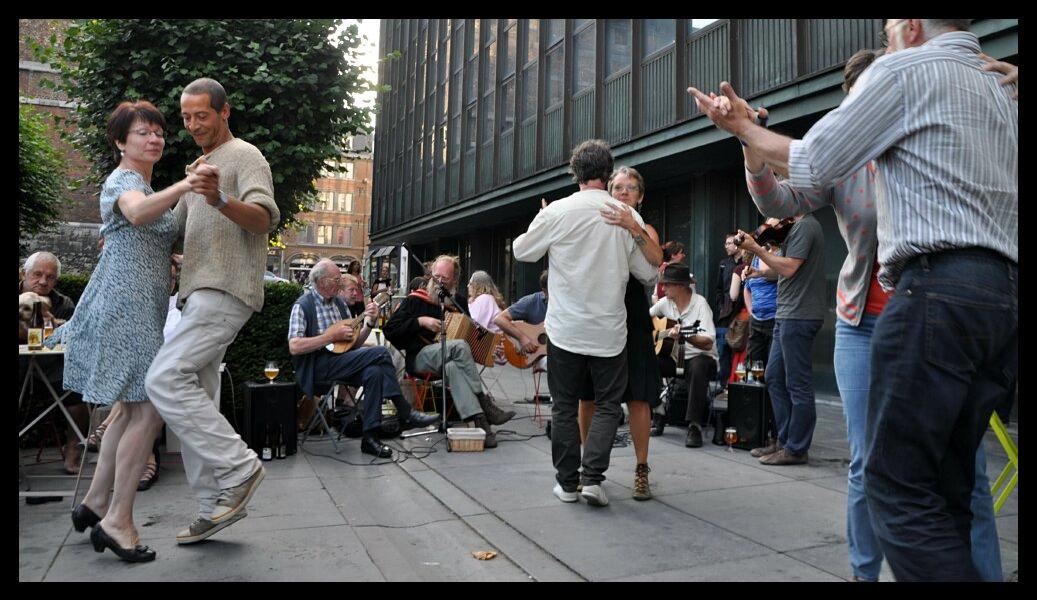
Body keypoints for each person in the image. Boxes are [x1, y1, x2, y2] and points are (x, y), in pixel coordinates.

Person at [690, 19, 1016, 580]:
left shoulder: (910, 71)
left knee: (904, 483)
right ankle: (867, 573)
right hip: (933, 308)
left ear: (910, 27)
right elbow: (786, 195)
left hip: (933, 298)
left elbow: (813, 158)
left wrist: (744, 125)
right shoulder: (985, 88)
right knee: (918, 468)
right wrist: (751, 148)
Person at [53, 100, 198, 562]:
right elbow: (137, 215)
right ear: (120, 141)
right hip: (125, 306)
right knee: (148, 407)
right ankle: (119, 522)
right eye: (142, 132)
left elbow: (142, 231)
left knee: (127, 409)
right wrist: (188, 185)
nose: (154, 138)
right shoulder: (124, 181)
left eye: (158, 132)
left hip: (141, 306)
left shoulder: (144, 182)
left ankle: (96, 504)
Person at [145, 77, 279, 546]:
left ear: (225, 113)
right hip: (196, 295)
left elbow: (265, 219)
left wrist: (220, 197)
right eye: (185, 117)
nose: (193, 124)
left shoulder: (244, 156)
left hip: (224, 290)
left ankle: (241, 469)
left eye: (202, 115)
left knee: (163, 378)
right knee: (197, 396)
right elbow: (170, 229)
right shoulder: (198, 166)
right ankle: (213, 505)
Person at [512, 139, 657, 507]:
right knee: (609, 405)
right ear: (607, 175)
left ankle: (568, 482)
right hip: (609, 330)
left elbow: (522, 251)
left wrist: (542, 218)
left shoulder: (559, 211)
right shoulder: (627, 216)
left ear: (575, 173)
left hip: (566, 329)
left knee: (564, 405)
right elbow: (647, 273)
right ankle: (593, 479)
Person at [289, 259, 438, 458]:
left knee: (374, 372)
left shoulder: (339, 305)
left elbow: (352, 345)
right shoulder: (303, 305)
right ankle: (404, 410)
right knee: (381, 353)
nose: (340, 283)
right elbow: (294, 346)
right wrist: (330, 337)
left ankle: (370, 438)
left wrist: (369, 323)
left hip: (341, 361)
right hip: (317, 366)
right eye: (337, 279)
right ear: (322, 281)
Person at [582, 165, 663, 500]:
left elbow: (656, 261)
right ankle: (588, 470)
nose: (624, 192)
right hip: (597, 313)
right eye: (618, 187)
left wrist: (633, 227)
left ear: (640, 196)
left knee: (638, 395)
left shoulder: (644, 227)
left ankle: (641, 468)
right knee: (588, 393)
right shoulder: (594, 225)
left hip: (631, 315)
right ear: (608, 192)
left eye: (631, 188)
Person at [382, 255, 514, 448]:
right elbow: (390, 330)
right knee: (459, 347)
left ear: (454, 280)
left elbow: (473, 334)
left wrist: (492, 348)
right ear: (430, 276)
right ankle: (484, 402)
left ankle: (480, 424)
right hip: (420, 358)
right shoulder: (415, 300)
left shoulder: (459, 301)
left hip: (450, 357)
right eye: (436, 276)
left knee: (454, 364)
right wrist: (420, 321)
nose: (440, 281)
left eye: (445, 277)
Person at [732, 211, 825, 466]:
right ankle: (785, 441)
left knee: (797, 383)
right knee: (774, 376)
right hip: (786, 312)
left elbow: (791, 268)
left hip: (799, 314)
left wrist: (757, 249)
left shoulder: (805, 226)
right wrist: (759, 272)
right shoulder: (793, 229)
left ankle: (796, 448)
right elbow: (778, 271)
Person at [18, 251, 87, 474]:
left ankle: (73, 449)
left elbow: (74, 335)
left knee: (77, 387)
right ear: (23, 273)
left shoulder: (62, 303)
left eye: (50, 277)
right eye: (37, 275)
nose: (43, 281)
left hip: (50, 367)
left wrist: (55, 325)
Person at [649, 264, 718, 448]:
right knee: (648, 362)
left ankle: (694, 426)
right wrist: (660, 335)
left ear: (680, 286)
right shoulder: (665, 303)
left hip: (701, 358)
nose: (663, 289)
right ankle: (659, 409)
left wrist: (687, 336)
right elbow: (647, 323)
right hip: (675, 359)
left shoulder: (700, 304)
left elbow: (708, 342)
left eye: (667, 285)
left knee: (697, 365)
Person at [742, 240, 779, 372]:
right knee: (753, 366)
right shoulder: (755, 259)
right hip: (756, 319)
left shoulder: (779, 256)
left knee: (773, 368)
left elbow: (774, 274)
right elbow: (747, 288)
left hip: (775, 318)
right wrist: (751, 312)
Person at [713, 233, 741, 387]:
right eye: (725, 243)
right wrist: (720, 305)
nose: (726, 246)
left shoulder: (746, 262)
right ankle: (724, 384)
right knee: (723, 348)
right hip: (725, 314)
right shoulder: (724, 263)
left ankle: (736, 384)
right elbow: (718, 288)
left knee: (738, 349)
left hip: (741, 314)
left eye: (729, 243)